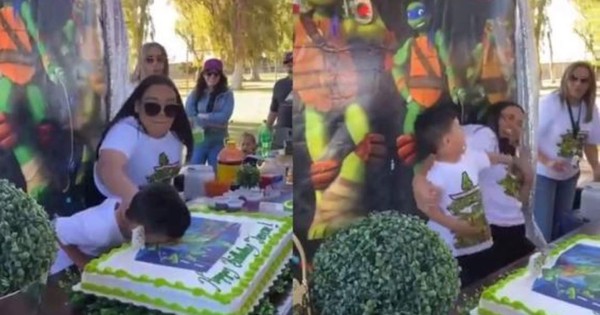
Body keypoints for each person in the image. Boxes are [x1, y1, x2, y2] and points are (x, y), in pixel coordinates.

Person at [413, 104, 514, 287]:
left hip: (483, 245)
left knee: (486, 289)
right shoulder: (434, 175)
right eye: (458, 127)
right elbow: (431, 212)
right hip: (454, 254)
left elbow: (488, 157)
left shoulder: (468, 157)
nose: (464, 131)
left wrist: (510, 160)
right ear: (447, 141)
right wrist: (459, 226)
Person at [93, 75, 193, 209]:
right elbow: (109, 169)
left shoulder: (176, 136)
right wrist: (143, 206)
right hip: (114, 211)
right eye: (152, 107)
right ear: (137, 106)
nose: (162, 113)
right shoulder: (126, 130)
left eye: (170, 108)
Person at [50, 182, 191, 274]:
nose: (160, 243)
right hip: (58, 265)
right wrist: (85, 264)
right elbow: (55, 229)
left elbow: (138, 242)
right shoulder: (98, 230)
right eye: (161, 240)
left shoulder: (135, 209)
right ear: (141, 230)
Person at [535, 61, 600, 241]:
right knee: (543, 228)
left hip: (570, 175)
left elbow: (589, 142)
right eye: (574, 79)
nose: (578, 84)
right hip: (544, 175)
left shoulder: (590, 108)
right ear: (565, 79)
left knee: (563, 225)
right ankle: (540, 264)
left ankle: (559, 264)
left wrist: (596, 168)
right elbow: (528, 140)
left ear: (590, 84)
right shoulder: (550, 104)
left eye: (584, 81)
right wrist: (547, 161)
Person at [185, 58, 234, 168]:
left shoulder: (227, 94)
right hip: (198, 139)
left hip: (218, 140)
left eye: (216, 74)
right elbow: (189, 112)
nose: (212, 77)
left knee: (216, 175)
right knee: (193, 171)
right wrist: (210, 121)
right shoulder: (196, 92)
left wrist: (202, 117)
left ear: (220, 76)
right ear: (203, 75)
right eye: (208, 73)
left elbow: (224, 116)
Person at [266, 52, 293, 149]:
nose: (290, 67)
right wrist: (267, 129)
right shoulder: (279, 85)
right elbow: (274, 110)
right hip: (281, 135)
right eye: (288, 64)